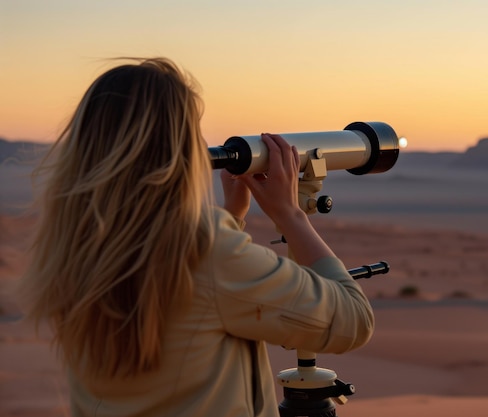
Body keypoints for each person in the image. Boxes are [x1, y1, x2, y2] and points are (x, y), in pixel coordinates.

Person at [18, 57, 374, 417]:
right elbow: (352, 320)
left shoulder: (72, 244)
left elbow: (190, 309)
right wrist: (290, 214)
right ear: (178, 149)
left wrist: (231, 217)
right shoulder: (205, 250)